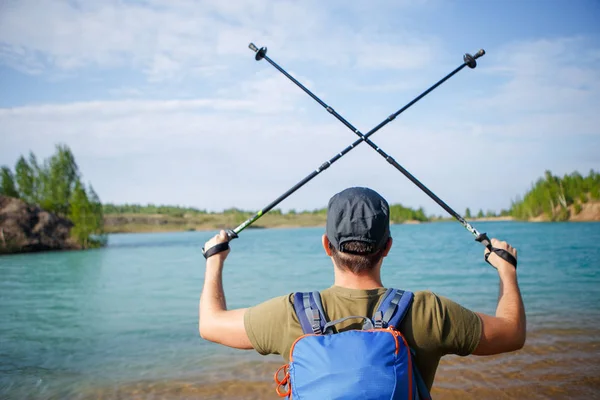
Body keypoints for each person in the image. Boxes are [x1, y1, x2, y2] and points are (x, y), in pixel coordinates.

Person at [199, 187, 526, 392]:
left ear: (327, 245)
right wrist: (506, 270)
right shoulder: (429, 311)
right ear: (387, 247)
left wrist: (215, 259)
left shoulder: (289, 314)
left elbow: (210, 324)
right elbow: (512, 333)